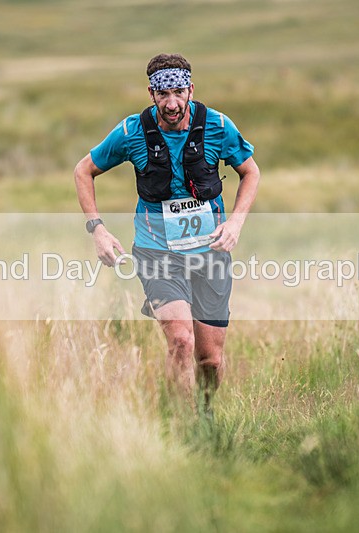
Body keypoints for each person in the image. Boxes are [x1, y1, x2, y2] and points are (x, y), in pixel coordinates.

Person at [74, 53, 260, 413]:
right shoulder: (131, 132)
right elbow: (83, 171)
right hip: (157, 254)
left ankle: (205, 415)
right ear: (151, 94)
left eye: (178, 92)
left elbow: (251, 172)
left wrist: (235, 221)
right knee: (180, 342)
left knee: (209, 360)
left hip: (210, 255)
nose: (172, 103)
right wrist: (97, 229)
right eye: (163, 94)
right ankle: (180, 423)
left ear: (191, 89)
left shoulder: (219, 126)